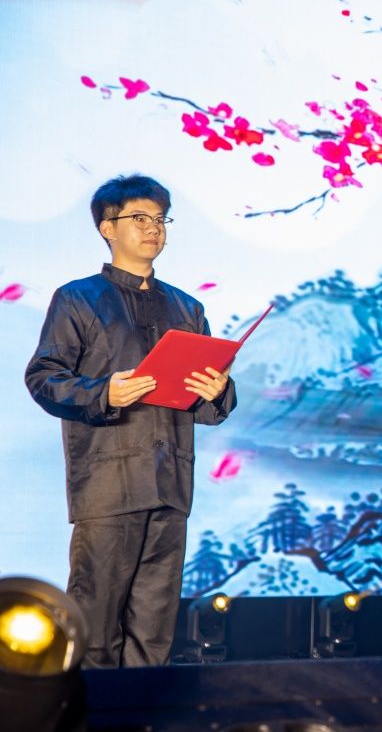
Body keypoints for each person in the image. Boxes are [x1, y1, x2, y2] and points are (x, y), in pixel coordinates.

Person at [25, 174, 236, 668]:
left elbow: (206, 404)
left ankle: (142, 710)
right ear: (107, 228)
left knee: (153, 633)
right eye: (139, 218)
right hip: (108, 485)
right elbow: (43, 377)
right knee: (95, 627)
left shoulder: (187, 307)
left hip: (170, 484)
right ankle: (87, 708)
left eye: (160, 219)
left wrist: (217, 391)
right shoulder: (78, 298)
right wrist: (104, 392)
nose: (153, 228)